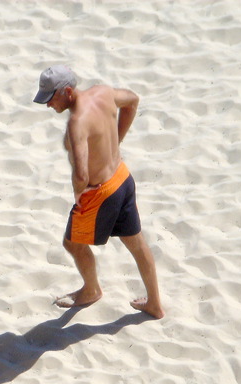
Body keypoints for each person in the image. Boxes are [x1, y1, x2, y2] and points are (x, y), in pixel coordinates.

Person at [34, 65, 165, 319]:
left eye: (50, 99)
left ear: (68, 91)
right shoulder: (103, 93)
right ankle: (155, 304)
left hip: (101, 192)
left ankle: (91, 290)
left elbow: (81, 173)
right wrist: (116, 140)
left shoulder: (76, 122)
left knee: (72, 243)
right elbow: (132, 101)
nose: (48, 105)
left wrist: (78, 197)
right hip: (122, 178)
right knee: (137, 244)